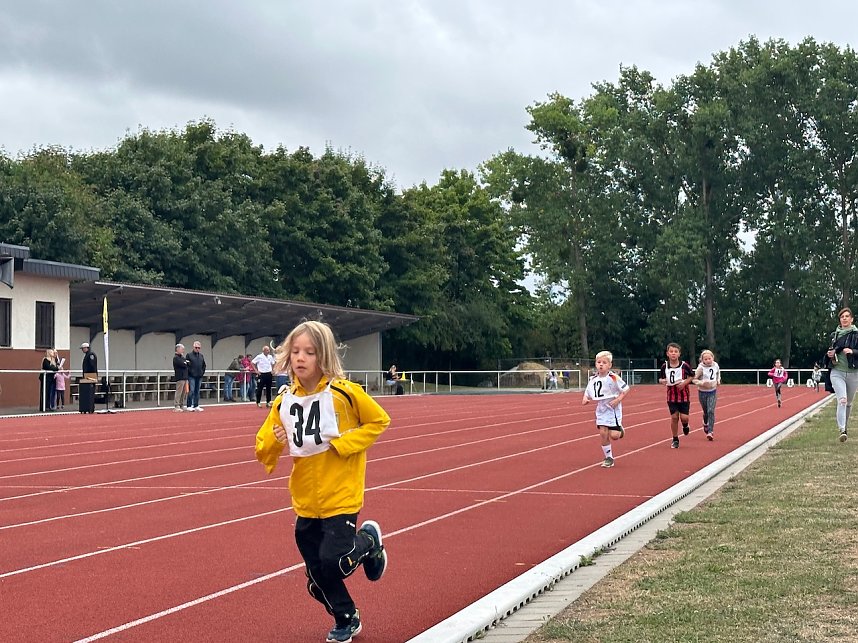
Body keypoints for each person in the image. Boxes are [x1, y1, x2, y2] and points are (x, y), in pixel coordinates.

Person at [255, 320, 390, 643]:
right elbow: (262, 448)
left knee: (337, 563)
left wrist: (344, 444)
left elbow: (379, 420)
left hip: (340, 493)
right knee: (317, 574)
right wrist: (276, 441)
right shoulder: (285, 400)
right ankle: (346, 617)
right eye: (296, 351)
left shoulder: (344, 393)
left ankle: (369, 542)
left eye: (310, 352)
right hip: (306, 499)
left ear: (324, 356)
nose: (301, 358)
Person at [582, 351, 629, 468]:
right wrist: (585, 398)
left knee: (614, 436)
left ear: (609, 365)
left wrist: (618, 399)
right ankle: (609, 457)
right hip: (601, 409)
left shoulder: (613, 377)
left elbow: (626, 389)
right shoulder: (593, 379)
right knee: (603, 433)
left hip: (613, 408)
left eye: (604, 362)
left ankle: (620, 429)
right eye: (599, 362)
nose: (601, 365)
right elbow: (587, 391)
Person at [824, 307, 858, 442]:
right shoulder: (835, 335)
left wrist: (853, 351)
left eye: (846, 316)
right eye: (842, 316)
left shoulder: (856, 334)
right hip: (837, 371)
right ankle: (842, 429)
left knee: (848, 403)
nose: (844, 318)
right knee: (842, 400)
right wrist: (830, 355)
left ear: (851, 319)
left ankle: (845, 425)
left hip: (853, 373)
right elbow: (831, 350)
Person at [658, 342, 694, 449]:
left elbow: (692, 376)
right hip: (671, 396)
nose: (673, 354)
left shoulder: (685, 365)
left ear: (679, 354)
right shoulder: (664, 366)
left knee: (684, 418)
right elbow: (661, 378)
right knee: (674, 417)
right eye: (671, 351)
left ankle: (685, 425)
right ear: (667, 353)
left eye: (676, 352)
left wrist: (684, 383)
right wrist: (662, 381)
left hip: (684, 396)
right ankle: (675, 439)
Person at [693, 349, 721, 441]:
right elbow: (694, 379)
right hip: (702, 392)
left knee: (711, 411)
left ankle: (710, 431)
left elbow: (718, 374)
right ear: (702, 360)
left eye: (710, 358)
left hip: (712, 391)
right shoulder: (700, 368)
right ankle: (705, 422)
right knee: (706, 412)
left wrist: (718, 380)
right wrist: (702, 383)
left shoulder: (715, 365)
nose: (708, 361)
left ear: (713, 358)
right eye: (706, 359)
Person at [186, 341, 207, 411]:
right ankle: (189, 405)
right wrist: (190, 372)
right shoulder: (189, 355)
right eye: (196, 347)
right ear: (193, 347)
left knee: (197, 391)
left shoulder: (201, 356)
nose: (197, 349)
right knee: (191, 390)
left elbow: (204, 365)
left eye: (199, 348)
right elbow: (187, 366)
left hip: (199, 376)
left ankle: (196, 405)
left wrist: (202, 373)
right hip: (192, 376)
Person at [173, 344, 190, 412]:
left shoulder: (182, 358)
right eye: (182, 349)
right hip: (180, 377)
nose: (183, 350)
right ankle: (176, 405)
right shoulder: (176, 358)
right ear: (177, 349)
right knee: (179, 392)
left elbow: (188, 364)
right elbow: (182, 364)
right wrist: (185, 363)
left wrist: (186, 363)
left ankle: (181, 404)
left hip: (185, 377)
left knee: (184, 392)